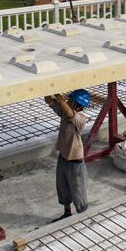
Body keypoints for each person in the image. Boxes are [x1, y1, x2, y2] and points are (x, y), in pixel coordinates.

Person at [44, 89, 90, 221]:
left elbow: (71, 115)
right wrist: (47, 88)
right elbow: (50, 101)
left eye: (70, 100)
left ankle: (83, 215)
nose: (67, 101)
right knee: (62, 186)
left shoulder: (80, 118)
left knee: (78, 189)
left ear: (77, 104)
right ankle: (67, 212)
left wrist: (60, 97)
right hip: (63, 157)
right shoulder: (65, 113)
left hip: (75, 160)